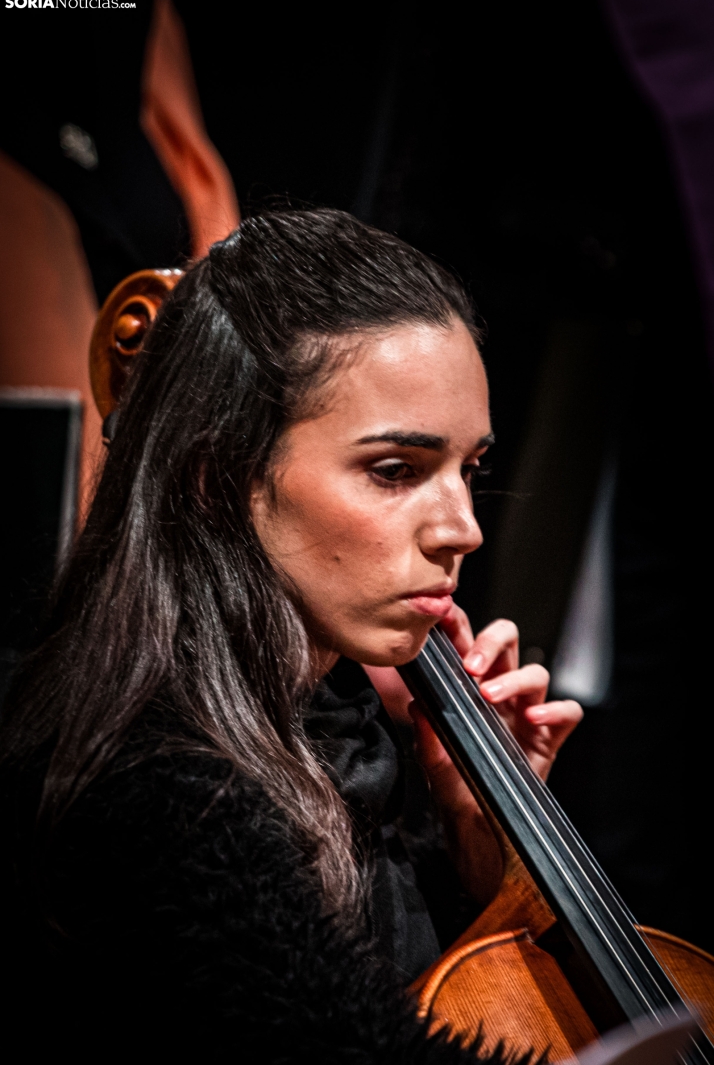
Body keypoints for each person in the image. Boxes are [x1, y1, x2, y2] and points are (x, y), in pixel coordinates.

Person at [0, 209, 582, 1062]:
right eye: (395, 471)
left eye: (470, 469)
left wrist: (477, 843)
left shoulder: (349, 736)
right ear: (216, 478)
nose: (463, 529)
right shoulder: (155, 790)